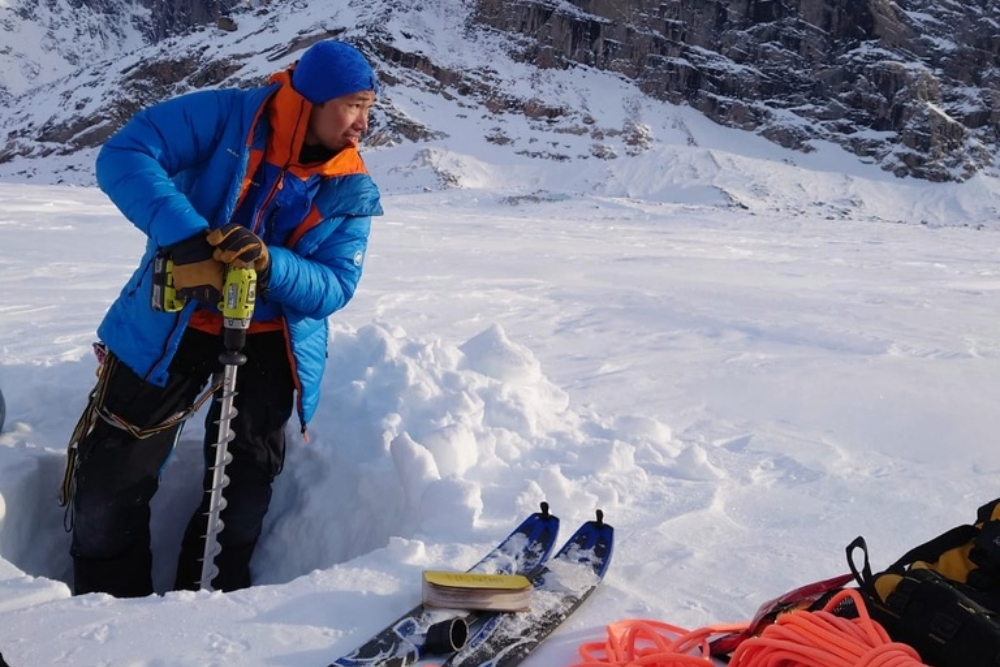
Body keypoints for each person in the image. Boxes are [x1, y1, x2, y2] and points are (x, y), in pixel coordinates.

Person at [60, 40, 383, 597]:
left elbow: (334, 285)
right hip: (170, 327)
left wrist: (269, 262)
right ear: (310, 100)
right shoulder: (228, 118)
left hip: (269, 343)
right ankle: (108, 614)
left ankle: (208, 614)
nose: (363, 123)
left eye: (369, 108)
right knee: (107, 489)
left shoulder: (351, 185)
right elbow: (124, 154)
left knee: (238, 502)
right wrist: (187, 238)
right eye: (352, 105)